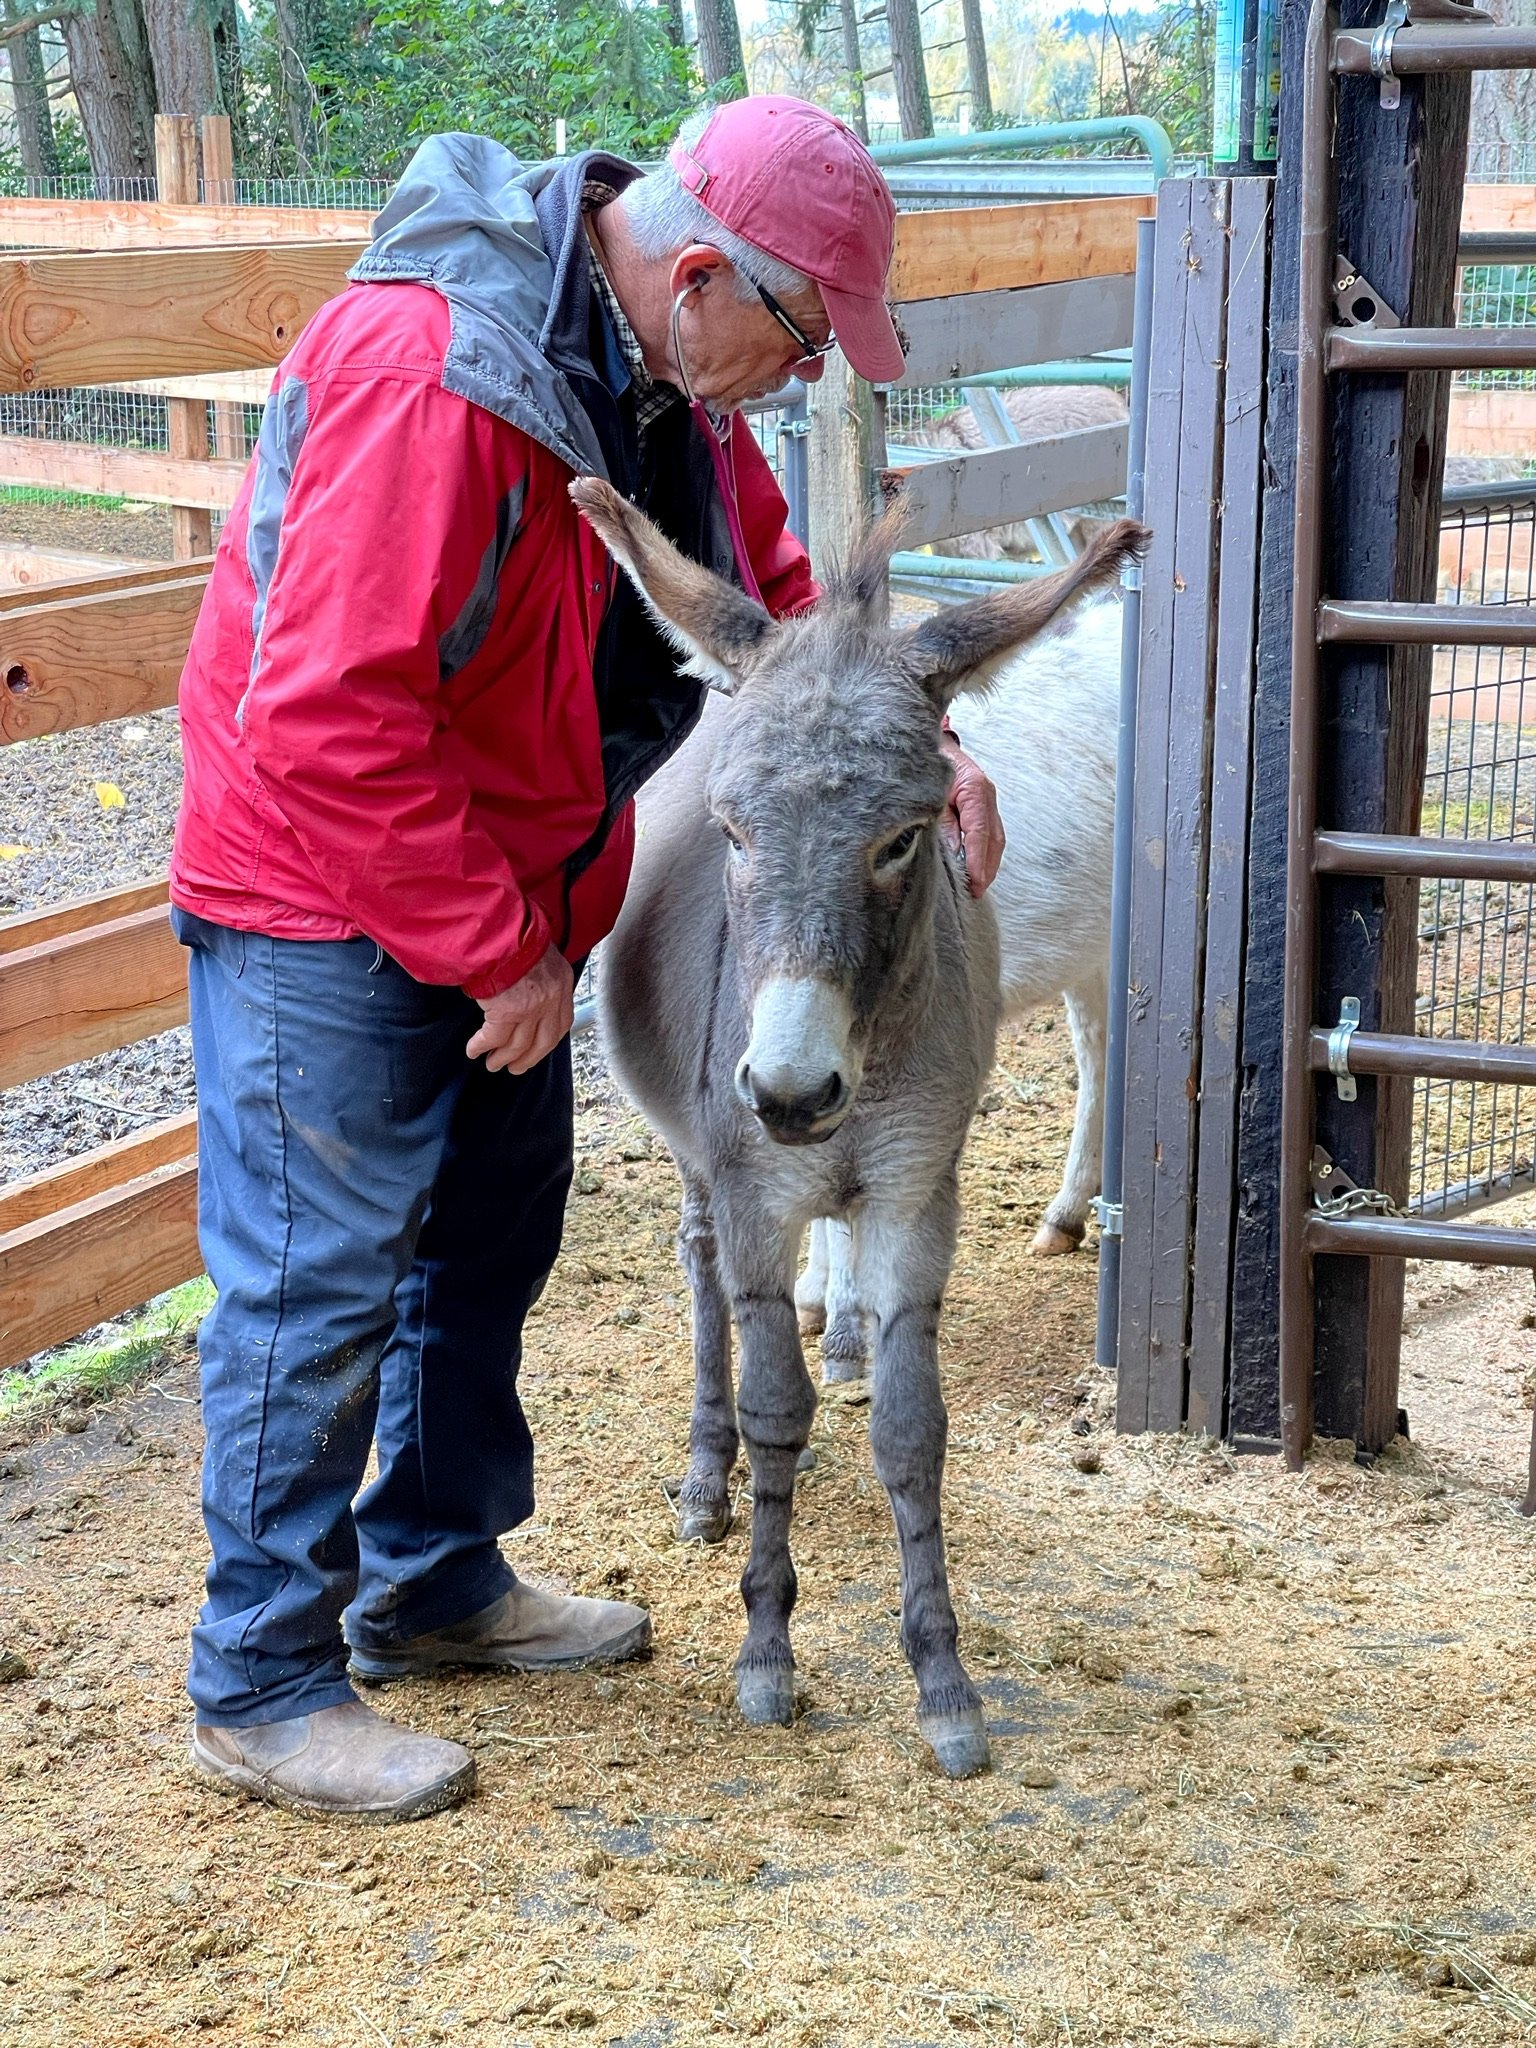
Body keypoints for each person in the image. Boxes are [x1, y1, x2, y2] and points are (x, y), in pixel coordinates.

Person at [170, 95, 1006, 1825]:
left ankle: (436, 1578)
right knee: (322, 1274)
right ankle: (259, 1678)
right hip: (329, 883)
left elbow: (776, 607)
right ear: (701, 274)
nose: (796, 383)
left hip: (515, 880)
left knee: (484, 1237)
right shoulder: (436, 375)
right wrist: (500, 952)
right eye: (797, 343)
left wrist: (921, 738)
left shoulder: (651, 371)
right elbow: (322, 718)